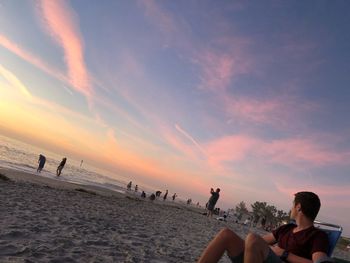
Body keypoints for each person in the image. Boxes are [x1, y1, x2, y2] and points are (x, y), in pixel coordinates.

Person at [197, 191, 330, 263]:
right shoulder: (287, 228)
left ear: (298, 207)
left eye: (293, 204)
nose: (291, 208)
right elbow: (257, 242)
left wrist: (285, 254)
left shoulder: (317, 236)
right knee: (226, 234)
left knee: (253, 238)